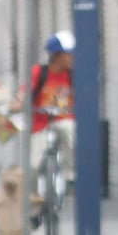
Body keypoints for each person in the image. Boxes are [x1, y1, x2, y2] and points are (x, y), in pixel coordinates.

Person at [25, 32, 77, 206]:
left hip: (64, 119)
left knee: (69, 130)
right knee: (32, 166)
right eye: (68, 54)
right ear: (56, 55)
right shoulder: (39, 73)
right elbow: (24, 92)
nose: (72, 57)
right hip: (41, 124)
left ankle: (70, 177)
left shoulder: (73, 75)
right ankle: (32, 208)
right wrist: (17, 103)